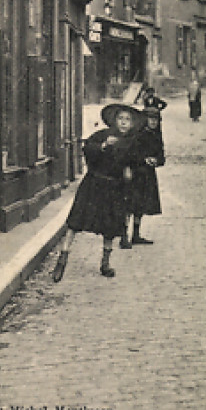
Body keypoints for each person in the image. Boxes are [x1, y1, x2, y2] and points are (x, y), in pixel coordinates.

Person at [51, 103, 144, 282]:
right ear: (114, 121)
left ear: (132, 124)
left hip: (114, 188)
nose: (124, 123)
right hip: (93, 183)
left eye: (128, 120)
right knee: (75, 221)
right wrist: (102, 146)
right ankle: (62, 258)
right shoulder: (103, 135)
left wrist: (129, 169)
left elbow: (135, 162)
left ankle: (105, 263)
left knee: (109, 227)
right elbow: (87, 148)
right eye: (121, 119)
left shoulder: (132, 143)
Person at [129, 106, 164, 245]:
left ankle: (135, 234)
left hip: (147, 175)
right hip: (134, 173)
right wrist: (143, 159)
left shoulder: (156, 136)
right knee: (129, 205)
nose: (153, 122)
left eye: (156, 119)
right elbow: (130, 154)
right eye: (151, 119)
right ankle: (124, 235)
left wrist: (156, 160)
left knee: (140, 206)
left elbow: (161, 156)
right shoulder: (136, 135)